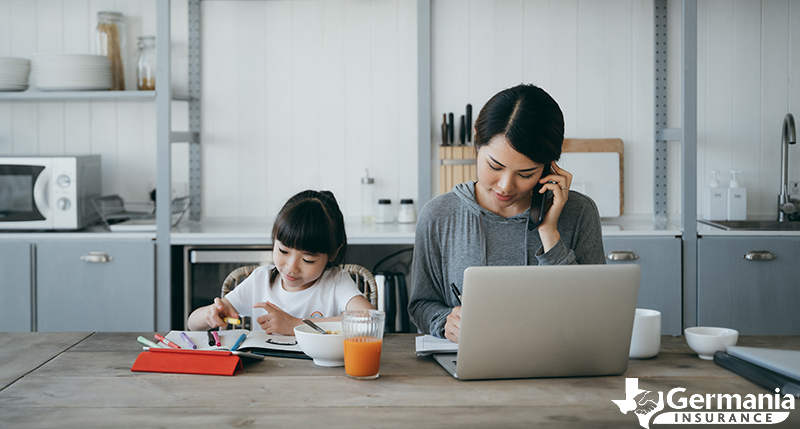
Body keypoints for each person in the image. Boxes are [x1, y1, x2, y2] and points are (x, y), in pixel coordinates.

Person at [408, 84, 605, 342]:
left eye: (526, 174)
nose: (505, 186)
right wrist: (445, 321)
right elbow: (421, 304)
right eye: (494, 166)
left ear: (549, 167)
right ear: (477, 140)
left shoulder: (580, 213)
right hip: (470, 366)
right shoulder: (439, 215)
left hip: (560, 367)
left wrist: (549, 232)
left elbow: (595, 312)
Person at [188, 190, 375, 335]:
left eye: (308, 260)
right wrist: (210, 314)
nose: (291, 267)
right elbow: (192, 324)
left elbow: (370, 321)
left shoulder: (335, 283)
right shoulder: (260, 281)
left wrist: (295, 324)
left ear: (333, 253)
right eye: (283, 251)